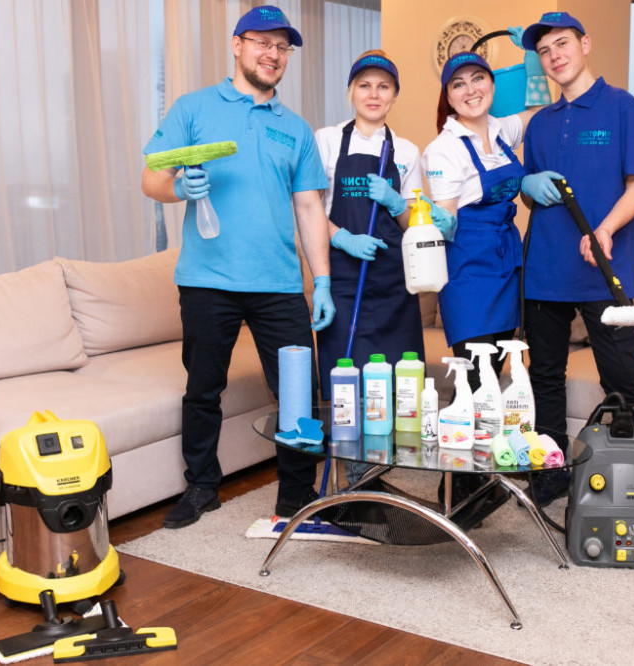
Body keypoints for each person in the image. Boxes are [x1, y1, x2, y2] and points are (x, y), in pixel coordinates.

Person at [141, 5, 335, 528]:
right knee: (203, 389)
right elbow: (152, 177)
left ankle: (296, 495)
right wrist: (180, 188)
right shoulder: (193, 109)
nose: (273, 54)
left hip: (279, 282)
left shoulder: (295, 129)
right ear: (237, 45)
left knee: (298, 391)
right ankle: (202, 486)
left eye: (282, 47)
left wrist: (321, 280)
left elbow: (309, 208)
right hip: (207, 280)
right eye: (262, 43)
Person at [519, 12, 634, 506]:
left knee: (623, 383)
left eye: (562, 43)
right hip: (545, 272)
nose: (554, 55)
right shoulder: (540, 124)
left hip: (605, 272)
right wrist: (526, 187)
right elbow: (531, 195)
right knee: (544, 380)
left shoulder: (623, 108)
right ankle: (550, 479)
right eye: (545, 50)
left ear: (585, 44)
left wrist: (605, 229)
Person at [421, 36, 547, 392]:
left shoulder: (501, 129)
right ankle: (459, 430)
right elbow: (447, 221)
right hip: (467, 272)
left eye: (478, 78)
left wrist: (535, 69)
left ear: (492, 84)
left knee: (493, 380)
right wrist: (430, 218)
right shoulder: (443, 149)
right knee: (475, 382)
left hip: (506, 267)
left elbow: (541, 116)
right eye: (458, 84)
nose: (471, 90)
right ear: (448, 97)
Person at [314, 50, 436, 394]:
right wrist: (342, 238)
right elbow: (309, 210)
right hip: (342, 280)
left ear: (394, 96)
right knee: (343, 386)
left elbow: (412, 225)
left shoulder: (407, 151)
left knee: (401, 387)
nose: (373, 94)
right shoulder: (326, 140)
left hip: (393, 285)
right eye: (364, 85)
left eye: (384, 87)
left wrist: (396, 202)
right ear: (351, 91)